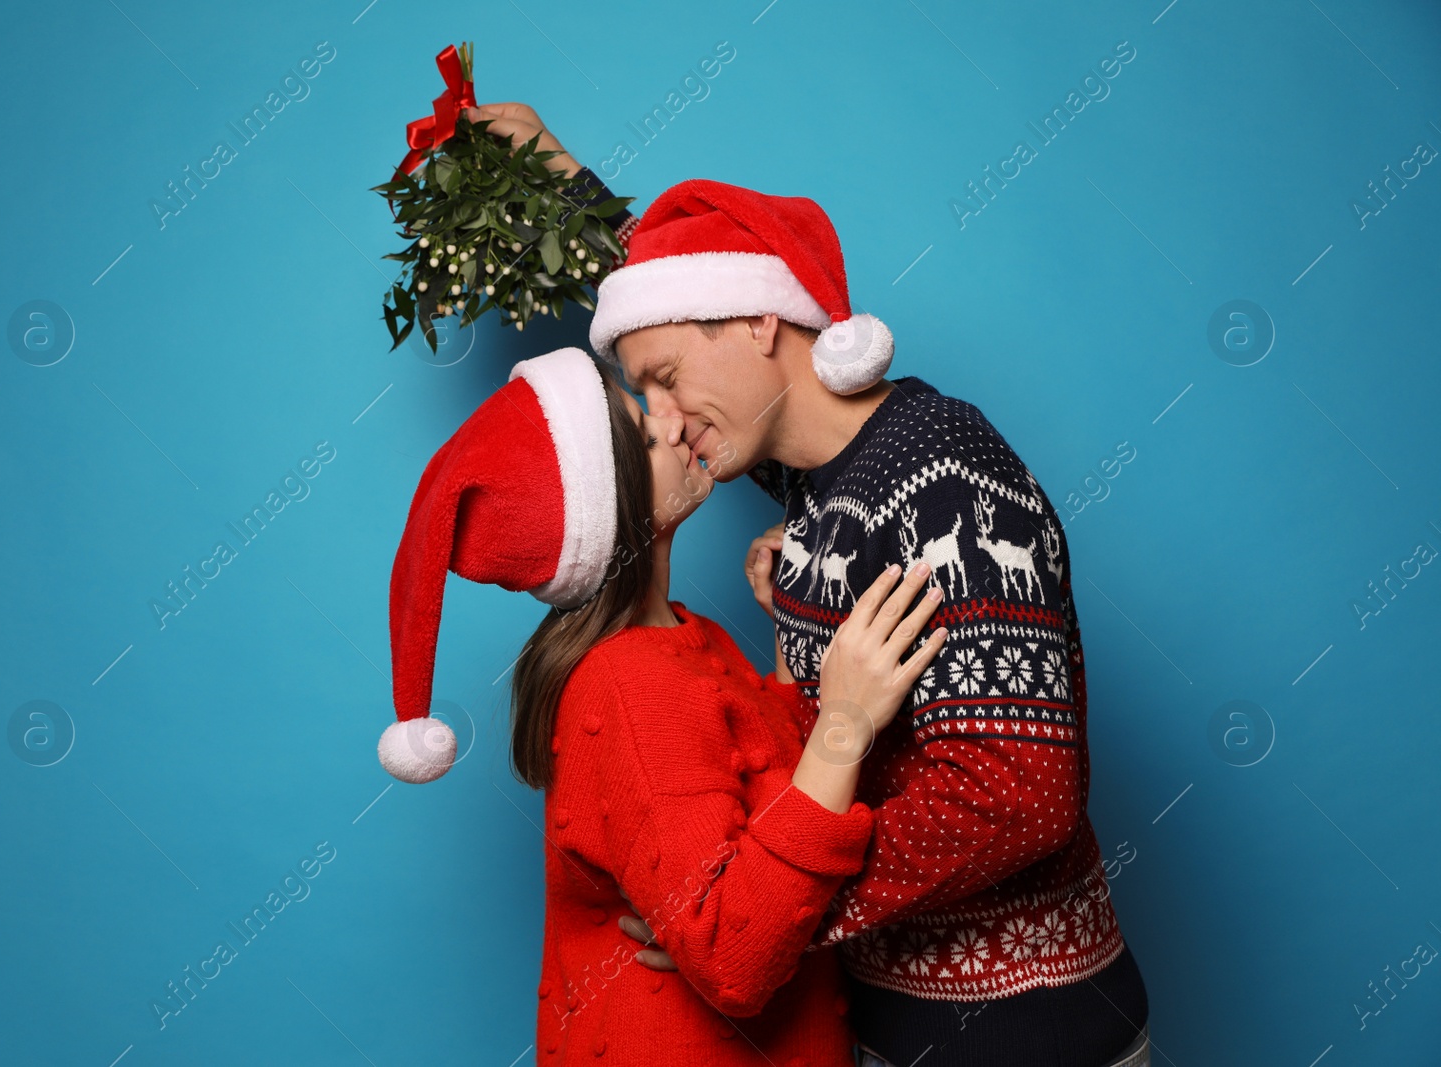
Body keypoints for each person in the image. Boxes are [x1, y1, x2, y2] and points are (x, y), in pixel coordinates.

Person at [458, 104, 1153, 1067]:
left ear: (757, 317)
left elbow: (1020, 793)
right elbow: (675, 284)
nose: (662, 419)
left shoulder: (944, 469)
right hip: (881, 1020)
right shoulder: (814, 469)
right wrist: (559, 180)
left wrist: (765, 910)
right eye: (643, 396)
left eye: (662, 379)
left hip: (1024, 1033)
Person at [376, 346, 950, 1065]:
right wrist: (846, 721)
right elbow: (731, 951)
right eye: (647, 431)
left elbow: (748, 799)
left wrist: (785, 646)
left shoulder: (679, 633)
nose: (675, 422)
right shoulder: (628, 684)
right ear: (610, 507)